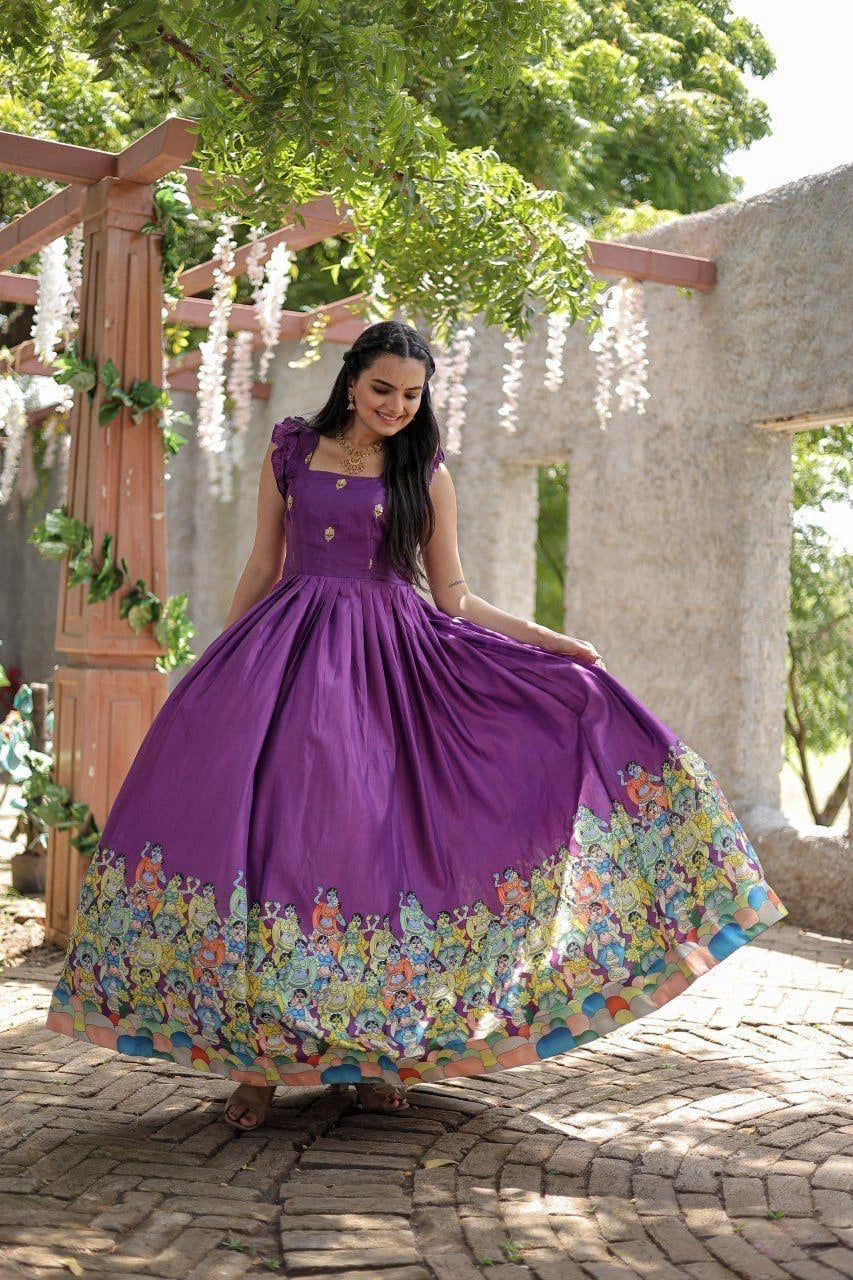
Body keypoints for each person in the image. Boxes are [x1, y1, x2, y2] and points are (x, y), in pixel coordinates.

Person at [45, 320, 788, 1132]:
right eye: (382, 390)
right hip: (286, 660)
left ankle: (378, 1055)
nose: (398, 406)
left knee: (373, 857)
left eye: (412, 393)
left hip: (392, 672)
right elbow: (262, 564)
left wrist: (552, 645)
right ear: (351, 380)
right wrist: (224, 660)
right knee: (272, 848)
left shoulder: (423, 471)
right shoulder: (291, 450)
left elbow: (456, 598)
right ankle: (253, 1068)